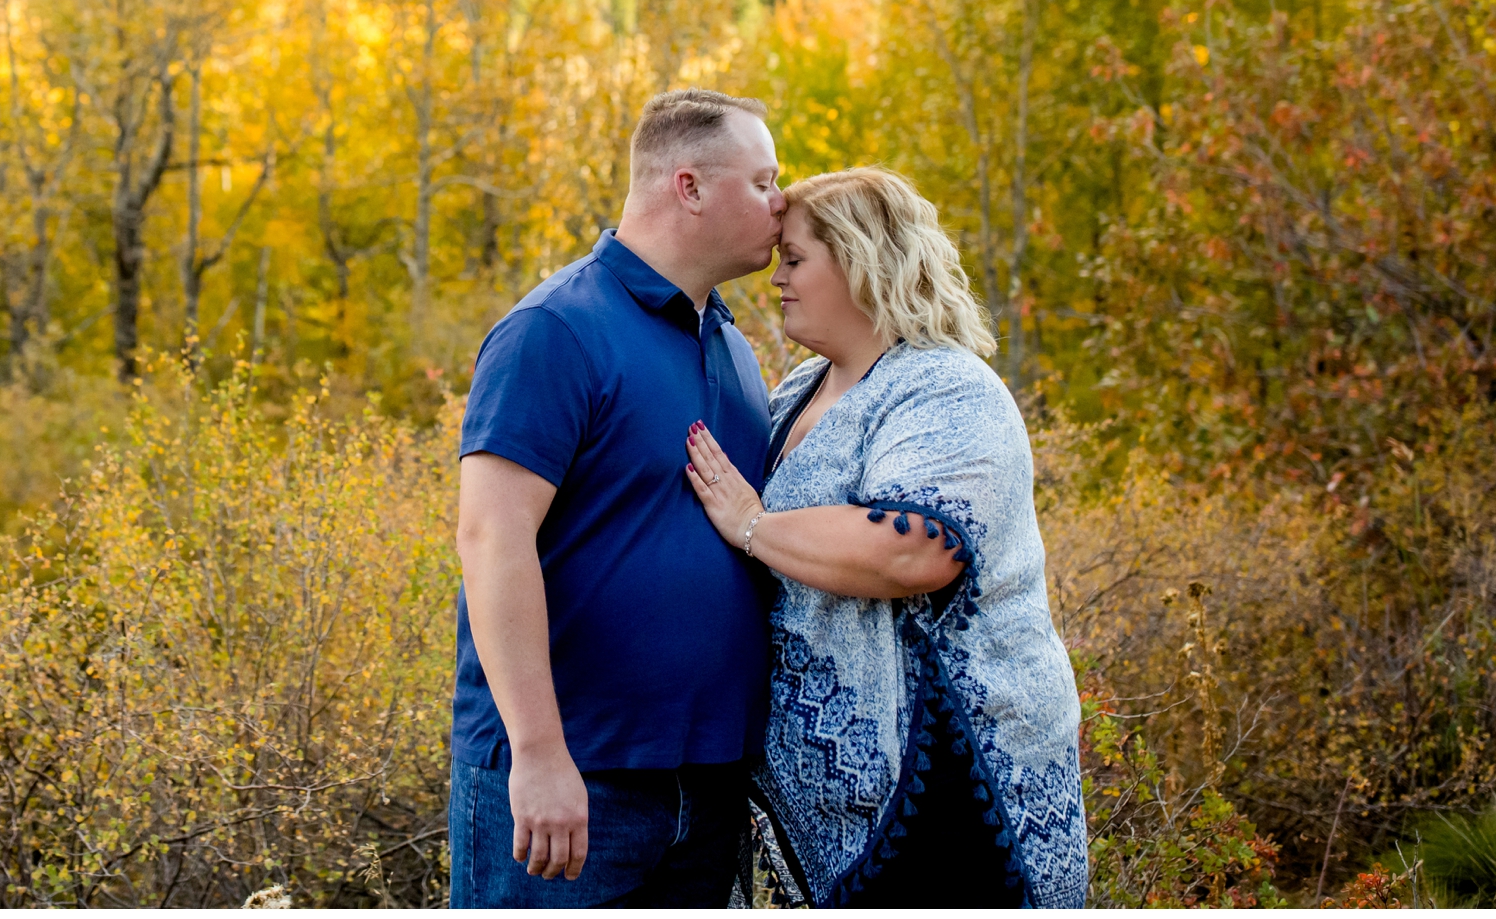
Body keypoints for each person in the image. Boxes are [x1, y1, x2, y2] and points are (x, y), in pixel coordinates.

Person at [680, 167, 1089, 908]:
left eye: (796, 259)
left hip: (958, 795)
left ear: (863, 261)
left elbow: (915, 548)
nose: (777, 280)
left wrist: (752, 524)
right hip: (848, 820)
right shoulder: (800, 388)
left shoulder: (947, 387)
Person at [451, 89, 787, 908]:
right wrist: (537, 753)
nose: (786, 202)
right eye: (766, 180)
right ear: (691, 187)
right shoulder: (556, 331)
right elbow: (492, 537)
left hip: (707, 795)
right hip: (573, 786)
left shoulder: (735, 349)